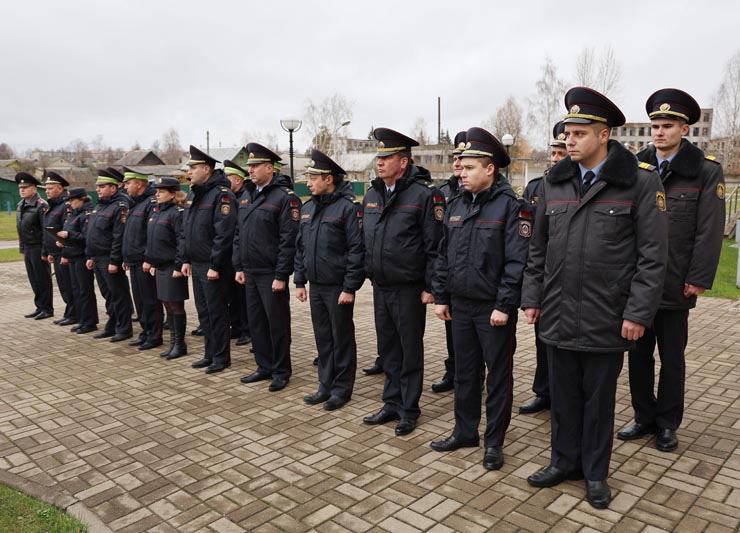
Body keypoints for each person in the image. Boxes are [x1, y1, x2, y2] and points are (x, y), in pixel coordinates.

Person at [521, 87, 668, 509]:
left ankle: (595, 474)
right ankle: (562, 462)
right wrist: (533, 297)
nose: (569, 139)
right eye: (567, 132)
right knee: (563, 399)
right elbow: (539, 250)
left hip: (608, 314)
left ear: (603, 135)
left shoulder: (640, 182)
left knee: (599, 403)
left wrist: (638, 312)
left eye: (580, 132)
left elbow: (652, 257)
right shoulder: (555, 182)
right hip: (558, 314)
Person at [617, 89, 725, 452]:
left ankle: (667, 423)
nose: (659, 132)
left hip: (677, 281)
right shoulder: (637, 166)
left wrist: (698, 277)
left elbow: (709, 231)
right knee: (638, 354)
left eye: (668, 126)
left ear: (684, 129)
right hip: (638, 283)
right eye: (655, 125)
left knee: (672, 357)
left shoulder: (705, 171)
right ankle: (642, 416)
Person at [430, 127, 529, 470]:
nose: (462, 172)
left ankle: (494, 442)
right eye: (461, 166)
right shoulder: (456, 204)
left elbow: (517, 262)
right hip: (461, 305)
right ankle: (464, 431)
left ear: (489, 168)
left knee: (497, 376)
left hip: (492, 311)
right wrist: (441, 296)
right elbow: (444, 255)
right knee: (465, 374)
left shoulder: (511, 207)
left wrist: (504, 305)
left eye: (469, 167)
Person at [361, 127, 444, 436]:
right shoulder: (372, 194)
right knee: (388, 348)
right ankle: (391, 402)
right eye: (379, 157)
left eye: (388, 157)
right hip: (381, 286)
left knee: (409, 350)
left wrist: (430, 287)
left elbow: (434, 245)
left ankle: (409, 409)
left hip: (409, 289)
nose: (380, 163)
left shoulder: (423, 196)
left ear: (404, 162)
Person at [295, 149, 365, 411]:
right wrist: (300, 281)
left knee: (341, 337)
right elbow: (300, 247)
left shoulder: (347, 208)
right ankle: (324, 385)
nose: (309, 182)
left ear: (329, 179)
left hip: (338, 287)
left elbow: (356, 250)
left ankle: (341, 388)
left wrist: (350, 287)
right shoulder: (308, 207)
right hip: (315, 286)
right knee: (323, 337)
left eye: (313, 177)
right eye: (308, 177)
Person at [235, 143, 300, 392]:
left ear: (270, 168)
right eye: (249, 166)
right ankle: (263, 366)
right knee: (257, 323)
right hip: (250, 271)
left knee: (277, 323)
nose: (249, 170)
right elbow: (239, 234)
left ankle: (281, 370)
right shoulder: (247, 195)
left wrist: (281, 274)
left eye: (254, 166)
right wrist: (239, 266)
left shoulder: (284, 198)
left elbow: (288, 239)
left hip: (271, 274)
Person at [518, 121, 568, 414]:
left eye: (561, 153)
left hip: (568, 274)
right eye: (554, 152)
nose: (556, 158)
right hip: (543, 275)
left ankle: (562, 396)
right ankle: (543, 391)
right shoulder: (536, 187)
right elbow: (527, 235)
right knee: (542, 340)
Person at [180, 145, 237, 374]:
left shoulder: (222, 195)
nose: (189, 171)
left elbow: (224, 234)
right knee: (204, 313)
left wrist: (215, 265)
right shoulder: (196, 193)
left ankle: (221, 357)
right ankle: (209, 353)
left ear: (206, 168)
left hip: (214, 267)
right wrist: (185, 258)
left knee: (217, 312)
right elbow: (187, 229)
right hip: (197, 264)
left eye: (193, 167)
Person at [431, 130, 466, 394]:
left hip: (472, 278)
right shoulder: (443, 191)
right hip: (451, 275)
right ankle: (453, 371)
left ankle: (472, 375)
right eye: (455, 156)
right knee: (450, 331)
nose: (457, 162)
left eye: (462, 157)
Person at [86, 169, 134, 342]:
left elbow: (118, 236)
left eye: (102, 186)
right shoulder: (100, 205)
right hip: (97, 257)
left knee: (118, 294)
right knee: (108, 295)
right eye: (98, 186)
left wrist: (114, 260)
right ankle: (112, 324)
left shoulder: (120, 206)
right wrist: (90, 256)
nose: (98, 189)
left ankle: (124, 328)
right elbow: (93, 233)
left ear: (114, 188)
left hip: (109, 258)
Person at [144, 177, 189, 360]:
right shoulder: (157, 212)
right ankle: (172, 342)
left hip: (172, 266)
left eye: (161, 191)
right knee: (166, 304)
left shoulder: (176, 213)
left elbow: (181, 241)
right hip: (160, 266)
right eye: (157, 191)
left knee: (175, 304)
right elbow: (152, 240)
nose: (157, 194)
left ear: (172, 194)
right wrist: (152, 262)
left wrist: (179, 265)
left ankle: (180, 344)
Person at [122, 167, 163, 350]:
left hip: (144, 261)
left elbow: (151, 234)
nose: (124, 186)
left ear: (139, 184)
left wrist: (149, 258)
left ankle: (155, 335)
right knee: (139, 300)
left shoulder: (150, 202)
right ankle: (145, 332)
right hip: (133, 260)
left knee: (150, 300)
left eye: (128, 182)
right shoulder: (135, 202)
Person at [56, 187, 98, 334]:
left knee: (84, 290)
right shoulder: (72, 214)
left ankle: (89, 322)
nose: (70, 203)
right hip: (72, 255)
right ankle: (82, 319)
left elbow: (86, 237)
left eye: (72, 200)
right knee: (77, 290)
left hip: (81, 256)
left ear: (82, 199)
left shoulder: (86, 214)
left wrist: (68, 235)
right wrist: (62, 241)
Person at [15, 172, 53, 319]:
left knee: (42, 278)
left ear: (34, 189)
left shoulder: (41, 205)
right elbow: (20, 228)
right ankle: (39, 307)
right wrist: (21, 248)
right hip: (28, 247)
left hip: (38, 247)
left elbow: (45, 230)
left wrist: (45, 251)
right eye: (20, 187)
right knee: (34, 279)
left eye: (26, 187)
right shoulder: (21, 205)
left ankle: (47, 309)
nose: (22, 190)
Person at [223, 160, 252, 347]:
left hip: (243, 257)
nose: (226, 182)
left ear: (238, 180)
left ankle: (246, 330)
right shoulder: (231, 197)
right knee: (233, 295)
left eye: (229, 178)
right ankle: (237, 326)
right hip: (232, 256)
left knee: (243, 297)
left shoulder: (245, 198)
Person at [43, 171, 76, 326]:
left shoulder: (65, 206)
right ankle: (70, 312)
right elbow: (49, 231)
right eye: (46, 188)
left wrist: (65, 254)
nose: (47, 191)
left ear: (60, 189)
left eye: (50, 188)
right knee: (63, 286)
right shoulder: (52, 206)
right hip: (55, 253)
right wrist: (49, 252)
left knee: (69, 286)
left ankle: (74, 313)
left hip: (64, 254)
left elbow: (66, 231)